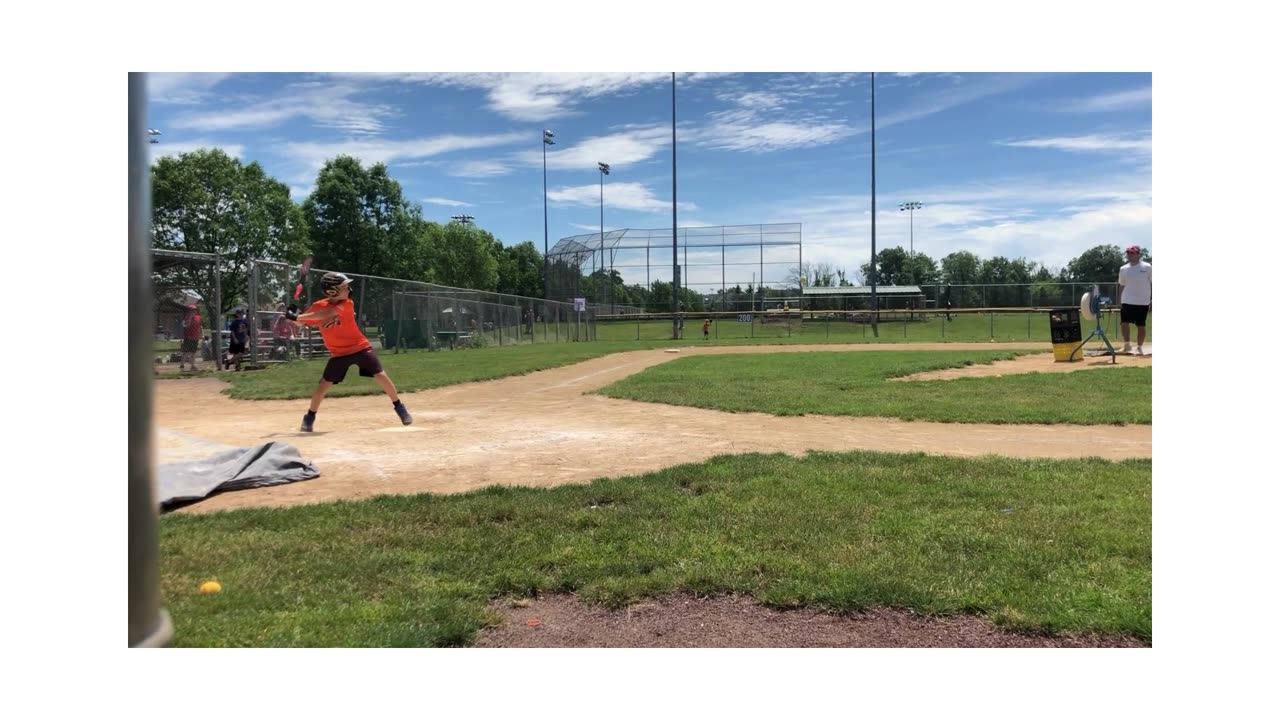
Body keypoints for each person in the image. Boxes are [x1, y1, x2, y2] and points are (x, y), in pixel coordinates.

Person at [289, 272, 412, 432]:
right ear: (332, 291)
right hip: (339, 354)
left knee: (381, 375)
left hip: (360, 347)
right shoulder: (318, 306)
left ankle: (399, 407)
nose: (349, 289)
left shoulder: (347, 304)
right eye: (344, 287)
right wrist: (292, 318)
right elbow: (303, 323)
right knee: (323, 386)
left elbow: (328, 313)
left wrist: (299, 316)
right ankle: (309, 418)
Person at [1117, 245, 1152, 355]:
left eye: (1132, 253)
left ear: (1138, 254)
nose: (1130, 255)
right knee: (1124, 322)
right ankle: (1127, 345)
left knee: (1141, 325)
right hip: (1127, 299)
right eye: (1128, 253)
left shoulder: (1147, 267)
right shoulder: (1123, 269)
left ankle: (1139, 347)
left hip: (1143, 301)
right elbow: (1122, 285)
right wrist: (1119, 300)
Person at [180, 304, 202, 371]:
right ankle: (182, 364)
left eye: (194, 310)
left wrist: (201, 334)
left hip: (195, 337)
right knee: (186, 352)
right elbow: (186, 326)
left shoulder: (198, 317)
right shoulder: (185, 318)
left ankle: (193, 365)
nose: (193, 312)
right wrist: (190, 317)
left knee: (193, 352)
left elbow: (200, 326)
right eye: (191, 310)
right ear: (188, 311)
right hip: (188, 337)